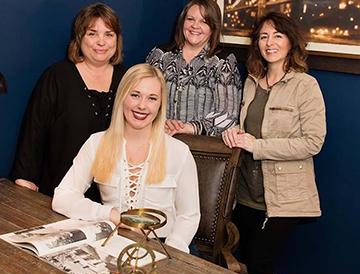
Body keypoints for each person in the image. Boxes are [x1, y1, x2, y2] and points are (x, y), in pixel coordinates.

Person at [222, 12, 326, 274]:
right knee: (244, 259)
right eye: (263, 36)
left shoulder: (305, 86)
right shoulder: (251, 81)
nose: (270, 43)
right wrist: (234, 132)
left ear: (291, 42)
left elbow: (313, 142)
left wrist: (256, 146)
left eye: (277, 35)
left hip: (282, 197)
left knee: (259, 264)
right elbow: (248, 126)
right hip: (245, 192)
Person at [52, 64, 200, 254]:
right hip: (114, 243)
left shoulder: (179, 152)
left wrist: (169, 253)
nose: (142, 105)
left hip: (165, 246)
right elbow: (62, 197)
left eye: (152, 98)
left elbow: (189, 216)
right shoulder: (97, 142)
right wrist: (113, 215)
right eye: (135, 95)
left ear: (161, 105)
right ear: (122, 97)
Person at [11, 3, 126, 197]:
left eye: (109, 34)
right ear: (80, 37)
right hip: (59, 193)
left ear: (117, 40)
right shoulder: (57, 76)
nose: (101, 41)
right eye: (92, 33)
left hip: (111, 197)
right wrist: (24, 179)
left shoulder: (128, 79)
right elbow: (33, 131)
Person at [146, 0, 242, 137]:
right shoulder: (160, 55)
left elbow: (227, 116)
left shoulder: (223, 62)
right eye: (190, 19)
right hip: (158, 139)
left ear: (213, 27)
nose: (195, 26)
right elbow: (141, 98)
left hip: (198, 148)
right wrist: (162, 123)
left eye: (204, 21)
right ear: (182, 22)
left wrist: (189, 128)